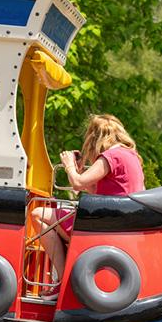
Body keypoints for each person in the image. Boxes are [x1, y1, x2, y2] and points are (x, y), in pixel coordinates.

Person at [32, 114, 146, 296]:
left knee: (38, 213)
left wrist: (69, 166)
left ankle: (62, 282)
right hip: (117, 222)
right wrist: (78, 172)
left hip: (100, 224)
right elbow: (98, 190)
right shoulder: (130, 155)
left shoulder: (111, 156)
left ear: (94, 138)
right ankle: (65, 273)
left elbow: (77, 184)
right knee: (55, 218)